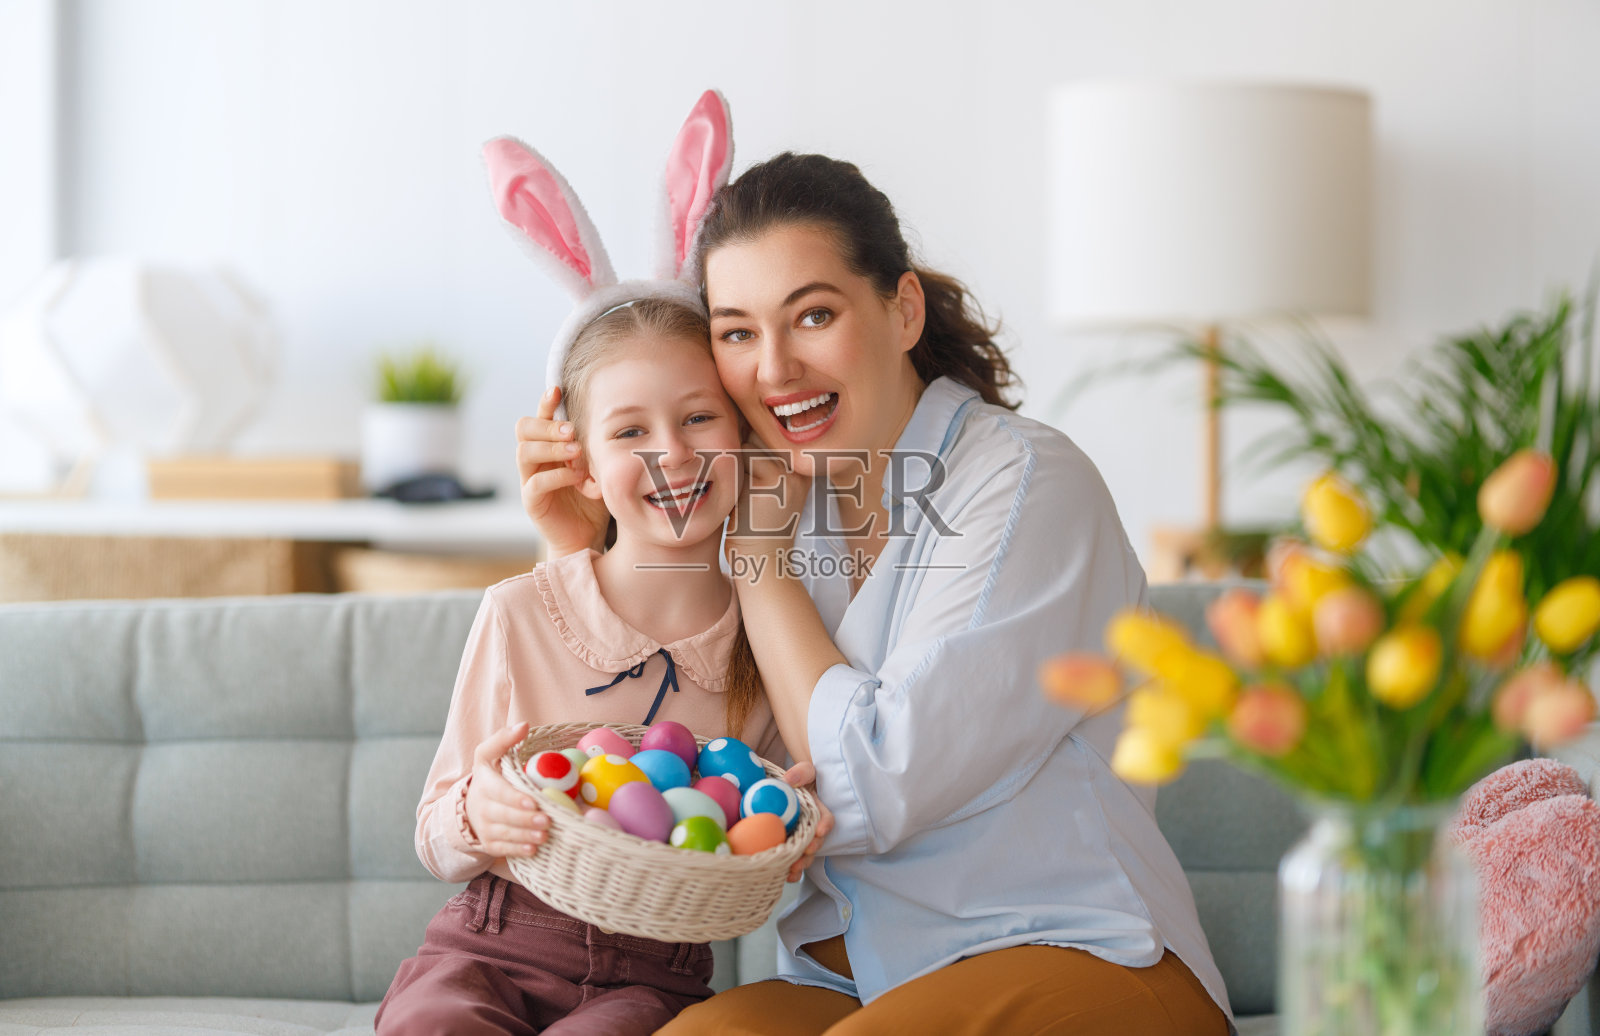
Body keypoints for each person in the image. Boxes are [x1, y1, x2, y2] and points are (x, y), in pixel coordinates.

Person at [515, 151, 1236, 1035]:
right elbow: (659, 741)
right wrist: (580, 542)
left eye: (813, 315)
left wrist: (761, 566)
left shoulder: (1023, 483)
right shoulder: (770, 490)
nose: (775, 368)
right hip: (849, 979)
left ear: (903, 310)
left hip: (1078, 952)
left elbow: (874, 782)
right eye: (737, 333)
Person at [378, 92, 822, 1036]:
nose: (673, 455)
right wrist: (478, 815)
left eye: (699, 418)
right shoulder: (522, 610)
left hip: (652, 981)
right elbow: (435, 829)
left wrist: (793, 825)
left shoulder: (770, 635)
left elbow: (778, 810)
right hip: (488, 945)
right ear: (580, 459)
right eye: (630, 431)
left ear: (745, 436)